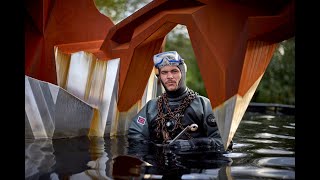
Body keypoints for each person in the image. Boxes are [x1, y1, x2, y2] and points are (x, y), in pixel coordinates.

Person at [128, 51, 224, 152]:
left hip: (195, 163)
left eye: (174, 71)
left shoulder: (203, 105)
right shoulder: (150, 108)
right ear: (159, 77)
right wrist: (155, 148)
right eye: (164, 72)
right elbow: (135, 136)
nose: (169, 76)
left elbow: (222, 141)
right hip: (159, 164)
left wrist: (192, 144)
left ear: (182, 73)